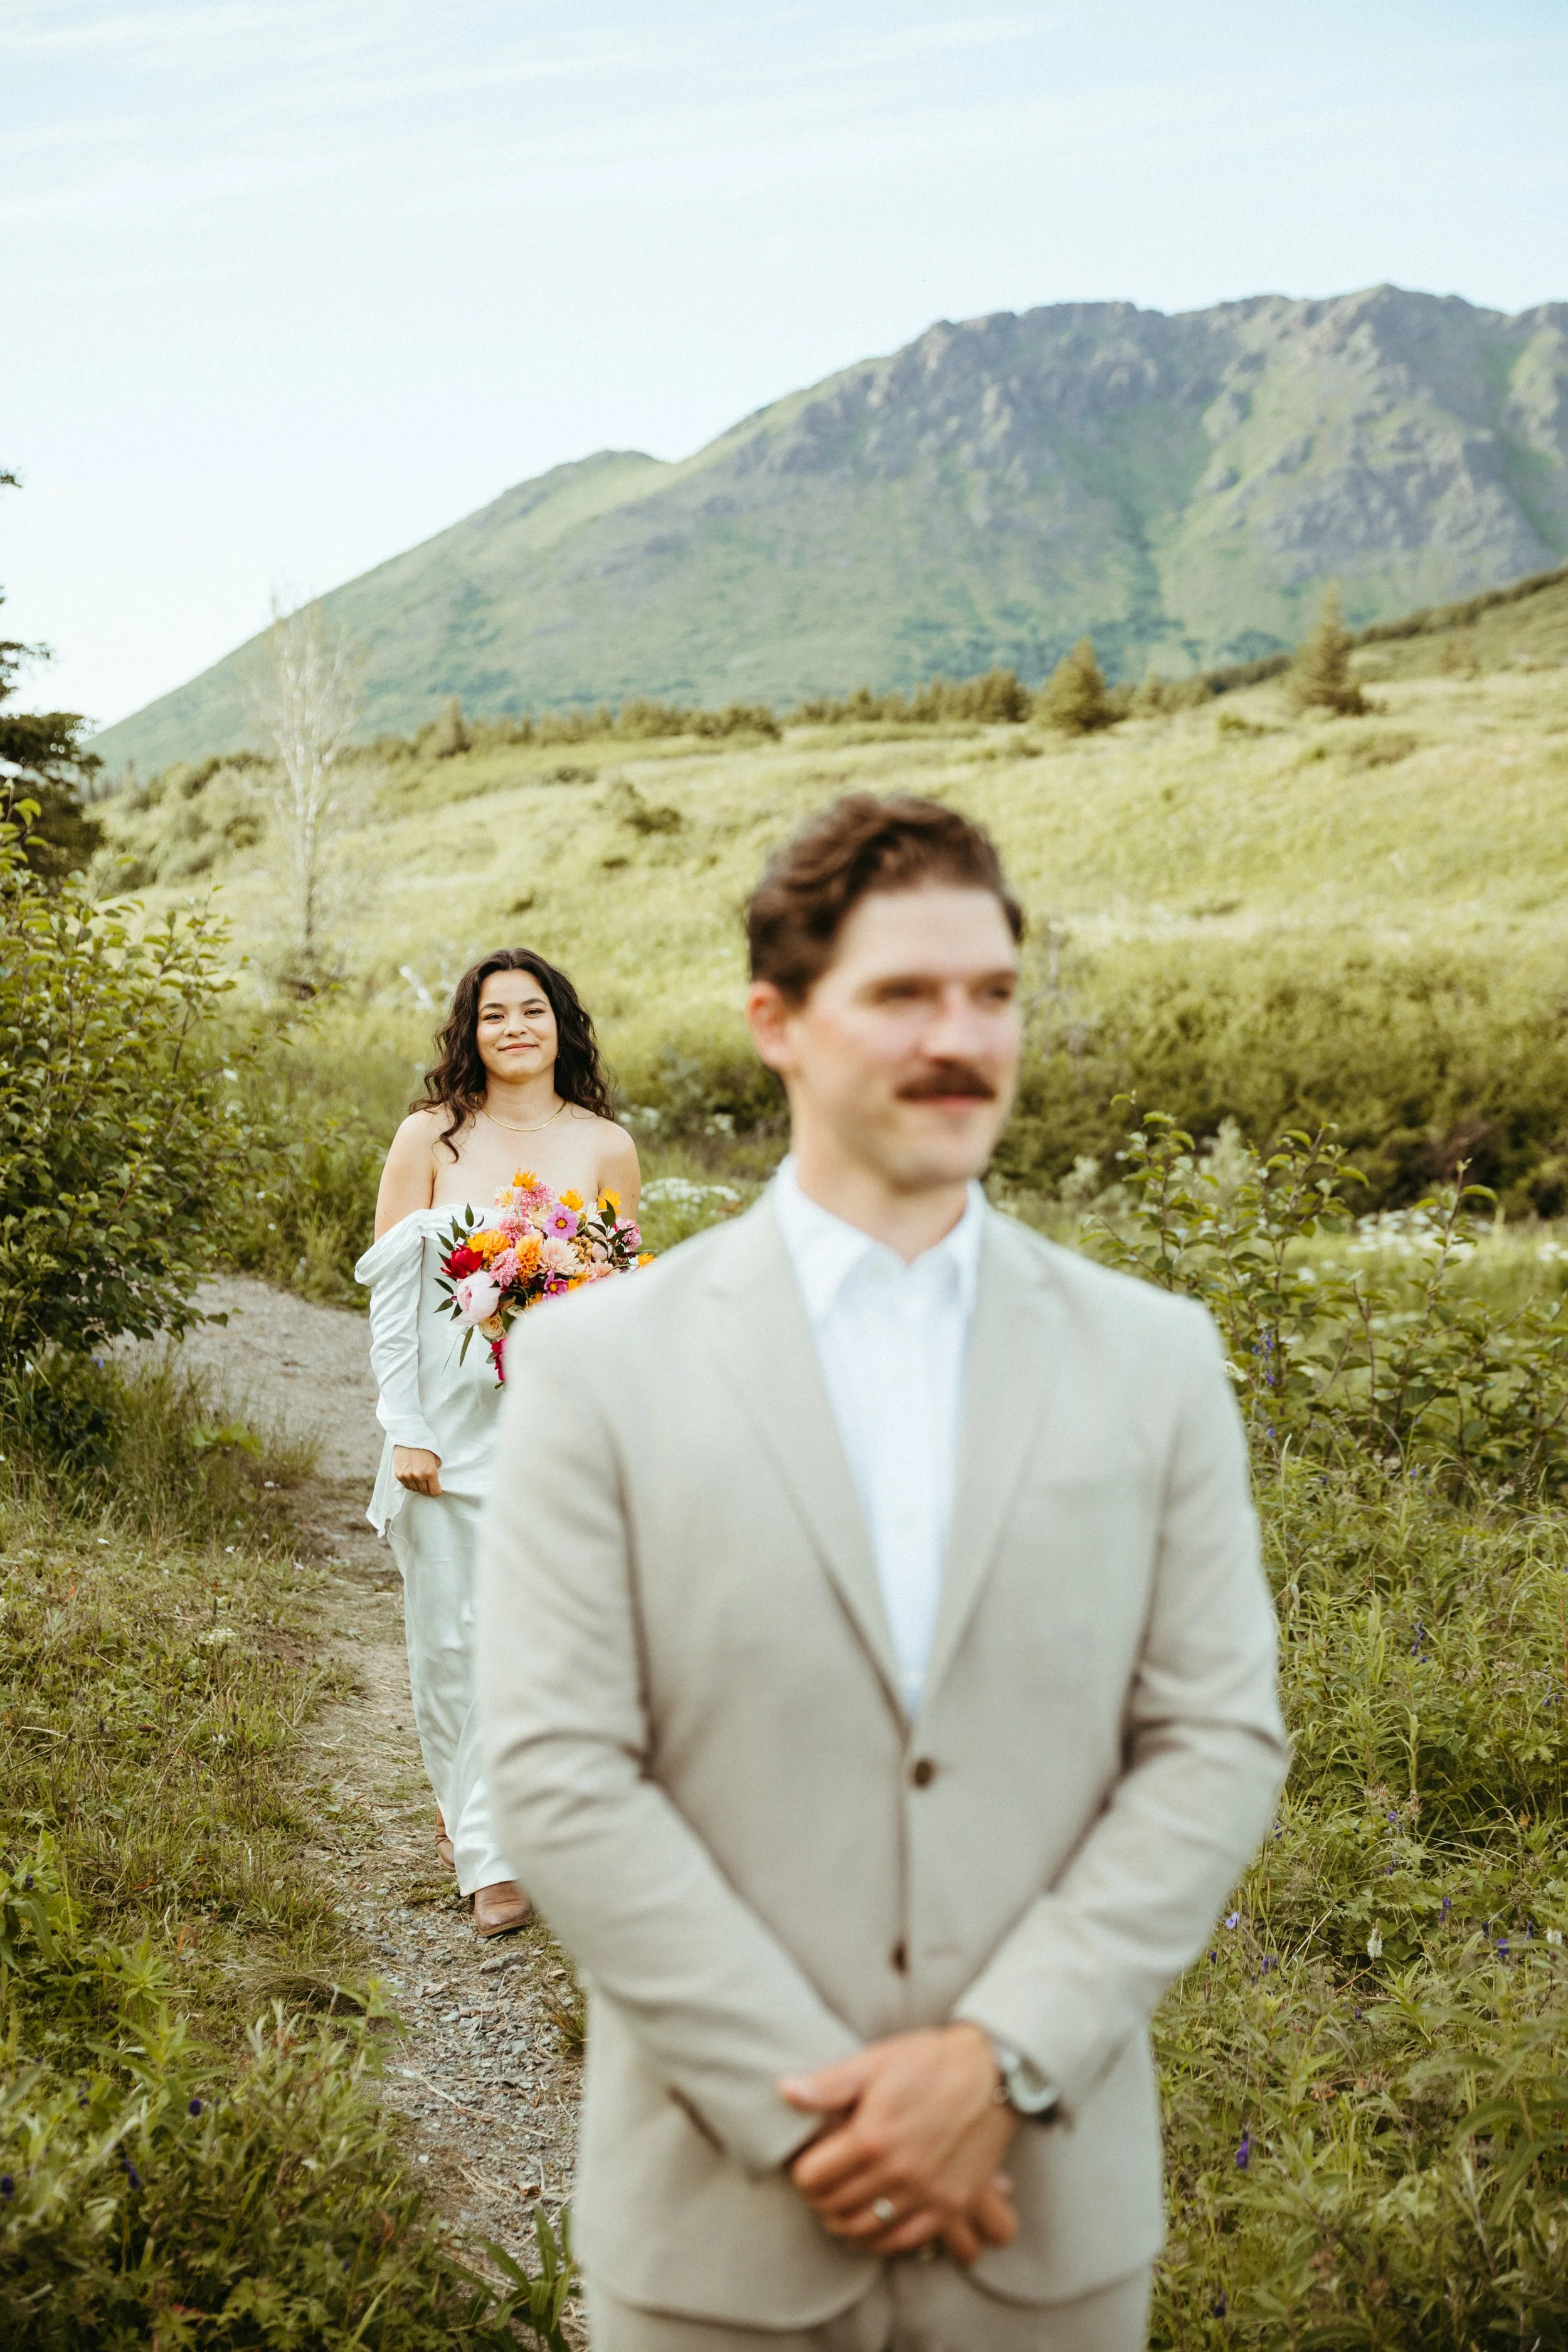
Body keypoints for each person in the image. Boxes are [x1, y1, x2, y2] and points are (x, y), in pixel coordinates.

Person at [476, 797, 1289, 2344]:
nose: (959, 1037)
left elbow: (1213, 1741)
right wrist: (814, 2117)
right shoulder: (596, 1364)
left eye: (990, 993)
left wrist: (995, 2063)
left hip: (1043, 2224)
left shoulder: (1153, 1359)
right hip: (719, 2234)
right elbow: (558, 1769)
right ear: (775, 1022)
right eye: (903, 996)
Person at [356, 947, 639, 1939]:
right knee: (451, 1642)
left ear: (561, 1023)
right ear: (469, 1033)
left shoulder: (606, 1145)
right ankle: (481, 1844)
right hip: (445, 1430)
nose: (514, 1027)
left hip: (551, 1431)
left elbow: (617, 1305)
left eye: (532, 1010)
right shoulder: (430, 1137)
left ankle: (510, 1840)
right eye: (493, 1014)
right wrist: (407, 1426)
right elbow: (393, 1300)